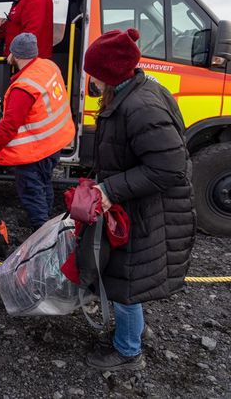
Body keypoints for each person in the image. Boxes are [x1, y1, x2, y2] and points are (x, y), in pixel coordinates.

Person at [82, 28, 195, 371]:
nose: (91, 81)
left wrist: (109, 190)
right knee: (128, 277)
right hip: (138, 206)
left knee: (125, 283)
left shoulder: (140, 106)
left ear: (110, 74)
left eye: (94, 74)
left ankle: (128, 352)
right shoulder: (133, 94)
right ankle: (132, 333)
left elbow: (170, 168)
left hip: (147, 211)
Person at [0, 33, 74, 230]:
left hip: (34, 152)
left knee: (32, 194)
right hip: (53, 145)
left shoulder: (24, 87)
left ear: (15, 54)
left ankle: (42, 239)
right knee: (44, 186)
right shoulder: (48, 66)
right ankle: (49, 228)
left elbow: (9, 125)